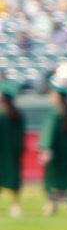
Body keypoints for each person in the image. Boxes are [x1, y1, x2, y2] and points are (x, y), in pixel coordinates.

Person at [40, 66, 67, 213]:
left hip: (57, 152)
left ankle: (52, 205)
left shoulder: (55, 112)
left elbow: (49, 133)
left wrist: (46, 148)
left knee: (54, 179)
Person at [0, 77, 22, 217]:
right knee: (13, 178)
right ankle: (15, 205)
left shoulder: (2, 116)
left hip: (2, 151)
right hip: (13, 151)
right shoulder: (18, 115)